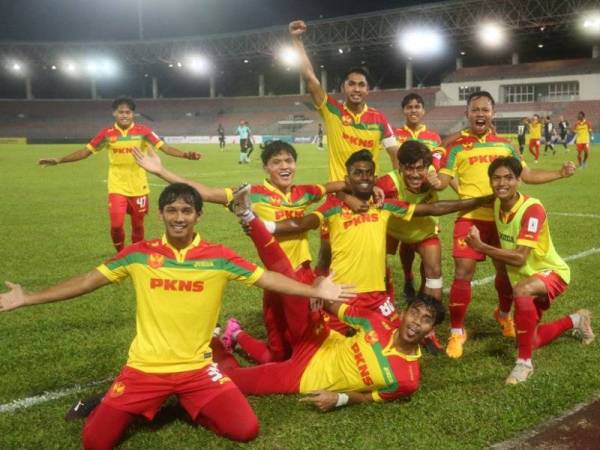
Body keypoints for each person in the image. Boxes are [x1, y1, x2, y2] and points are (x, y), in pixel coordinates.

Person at [0, 183, 353, 447]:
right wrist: (29, 297)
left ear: (198, 216)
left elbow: (269, 278)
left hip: (198, 371)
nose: (179, 217)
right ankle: (157, 402)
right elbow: (88, 281)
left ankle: (183, 403)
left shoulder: (219, 256)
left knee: (246, 430)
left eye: (186, 211)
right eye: (172, 210)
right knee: (95, 442)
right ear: (161, 214)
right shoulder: (139, 254)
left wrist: (315, 290)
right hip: (144, 370)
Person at [216, 192, 444, 409]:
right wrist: (317, 289)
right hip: (317, 340)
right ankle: (247, 214)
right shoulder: (375, 322)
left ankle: (220, 340)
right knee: (288, 276)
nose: (416, 322)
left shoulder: (408, 379)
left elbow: (370, 398)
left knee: (232, 381)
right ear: (403, 314)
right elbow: (334, 306)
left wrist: (340, 398)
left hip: (306, 376)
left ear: (431, 329)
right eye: (415, 313)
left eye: (426, 320)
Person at [133, 141, 348, 364]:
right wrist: (160, 170)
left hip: (303, 275)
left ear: (295, 164)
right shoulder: (251, 194)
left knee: (310, 345)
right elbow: (204, 193)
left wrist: (363, 189)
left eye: (288, 161)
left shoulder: (305, 192)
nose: (284, 166)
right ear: (266, 168)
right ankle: (235, 335)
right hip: (275, 280)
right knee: (277, 356)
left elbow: (335, 187)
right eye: (276, 162)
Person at [261, 149, 492, 333]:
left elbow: (435, 208)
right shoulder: (333, 207)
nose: (363, 178)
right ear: (347, 178)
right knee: (325, 342)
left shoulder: (383, 205)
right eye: (357, 173)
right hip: (342, 294)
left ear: (374, 177)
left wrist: (479, 201)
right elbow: (302, 224)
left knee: (393, 337)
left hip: (377, 296)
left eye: (368, 173)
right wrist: (263, 225)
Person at [434, 91, 576, 359]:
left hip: (502, 218)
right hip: (470, 218)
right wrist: (434, 179)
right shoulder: (456, 148)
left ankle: (503, 314)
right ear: (467, 114)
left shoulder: (506, 145)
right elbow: (443, 181)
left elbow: (528, 175)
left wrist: (559, 173)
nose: (480, 114)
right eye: (475, 110)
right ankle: (456, 331)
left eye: (485, 110)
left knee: (505, 273)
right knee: (463, 272)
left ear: (493, 114)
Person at [465, 157, 594, 384]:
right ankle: (576, 320)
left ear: (519, 180)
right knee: (529, 339)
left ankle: (523, 364)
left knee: (522, 291)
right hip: (526, 277)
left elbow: (519, 257)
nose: (502, 183)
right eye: (496, 178)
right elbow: (466, 202)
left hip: (551, 273)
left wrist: (482, 247)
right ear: (490, 181)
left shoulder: (532, 209)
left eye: (509, 178)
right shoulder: (497, 202)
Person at [289, 19, 400, 274]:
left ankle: (380, 298)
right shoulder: (333, 111)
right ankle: (321, 301)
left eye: (362, 85)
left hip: (367, 194)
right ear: (343, 87)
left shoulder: (379, 119)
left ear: (368, 90)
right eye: (352, 84)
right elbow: (309, 77)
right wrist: (297, 41)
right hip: (337, 195)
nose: (356, 89)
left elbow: (395, 155)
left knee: (373, 250)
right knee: (327, 251)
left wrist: (385, 187)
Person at [38, 96, 202, 252]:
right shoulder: (107, 134)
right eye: (121, 112)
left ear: (133, 114)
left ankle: (136, 253)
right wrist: (59, 160)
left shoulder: (143, 131)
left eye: (128, 112)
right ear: (114, 113)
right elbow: (85, 152)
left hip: (139, 186)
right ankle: (120, 252)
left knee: (138, 225)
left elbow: (164, 148)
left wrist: (185, 154)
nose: (124, 115)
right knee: (116, 224)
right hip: (117, 185)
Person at [376, 141, 444, 353]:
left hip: (423, 230)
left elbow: (446, 178)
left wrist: (438, 183)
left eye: (420, 168)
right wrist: (373, 189)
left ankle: (428, 330)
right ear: (400, 167)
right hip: (393, 229)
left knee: (434, 272)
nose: (415, 174)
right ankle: (382, 318)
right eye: (409, 168)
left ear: (427, 167)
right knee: (377, 272)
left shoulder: (433, 177)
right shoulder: (388, 183)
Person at [392, 92, 445, 300]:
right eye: (409, 107)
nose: (413, 110)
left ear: (423, 110)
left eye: (417, 107)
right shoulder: (395, 135)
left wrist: (435, 179)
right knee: (405, 243)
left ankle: (425, 289)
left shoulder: (433, 137)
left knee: (426, 243)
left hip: (426, 197)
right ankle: (407, 278)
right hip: (402, 195)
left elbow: (438, 164)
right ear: (404, 111)